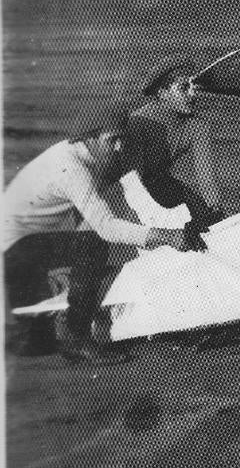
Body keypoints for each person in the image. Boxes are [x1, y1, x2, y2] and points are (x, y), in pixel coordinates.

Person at [4, 104, 202, 363]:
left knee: (37, 343)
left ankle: (61, 308)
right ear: (89, 137)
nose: (119, 147)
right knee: (94, 244)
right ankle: (78, 339)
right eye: (112, 140)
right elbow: (107, 226)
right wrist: (167, 236)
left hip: (20, 244)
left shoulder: (82, 153)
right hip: (14, 252)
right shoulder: (71, 167)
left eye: (122, 139)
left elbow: (88, 209)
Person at [127, 60, 225, 230]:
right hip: (131, 186)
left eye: (194, 86)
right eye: (183, 88)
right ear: (163, 93)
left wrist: (216, 210)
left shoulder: (197, 127)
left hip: (160, 184)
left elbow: (206, 177)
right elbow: (130, 179)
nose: (193, 94)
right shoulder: (139, 121)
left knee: (209, 214)